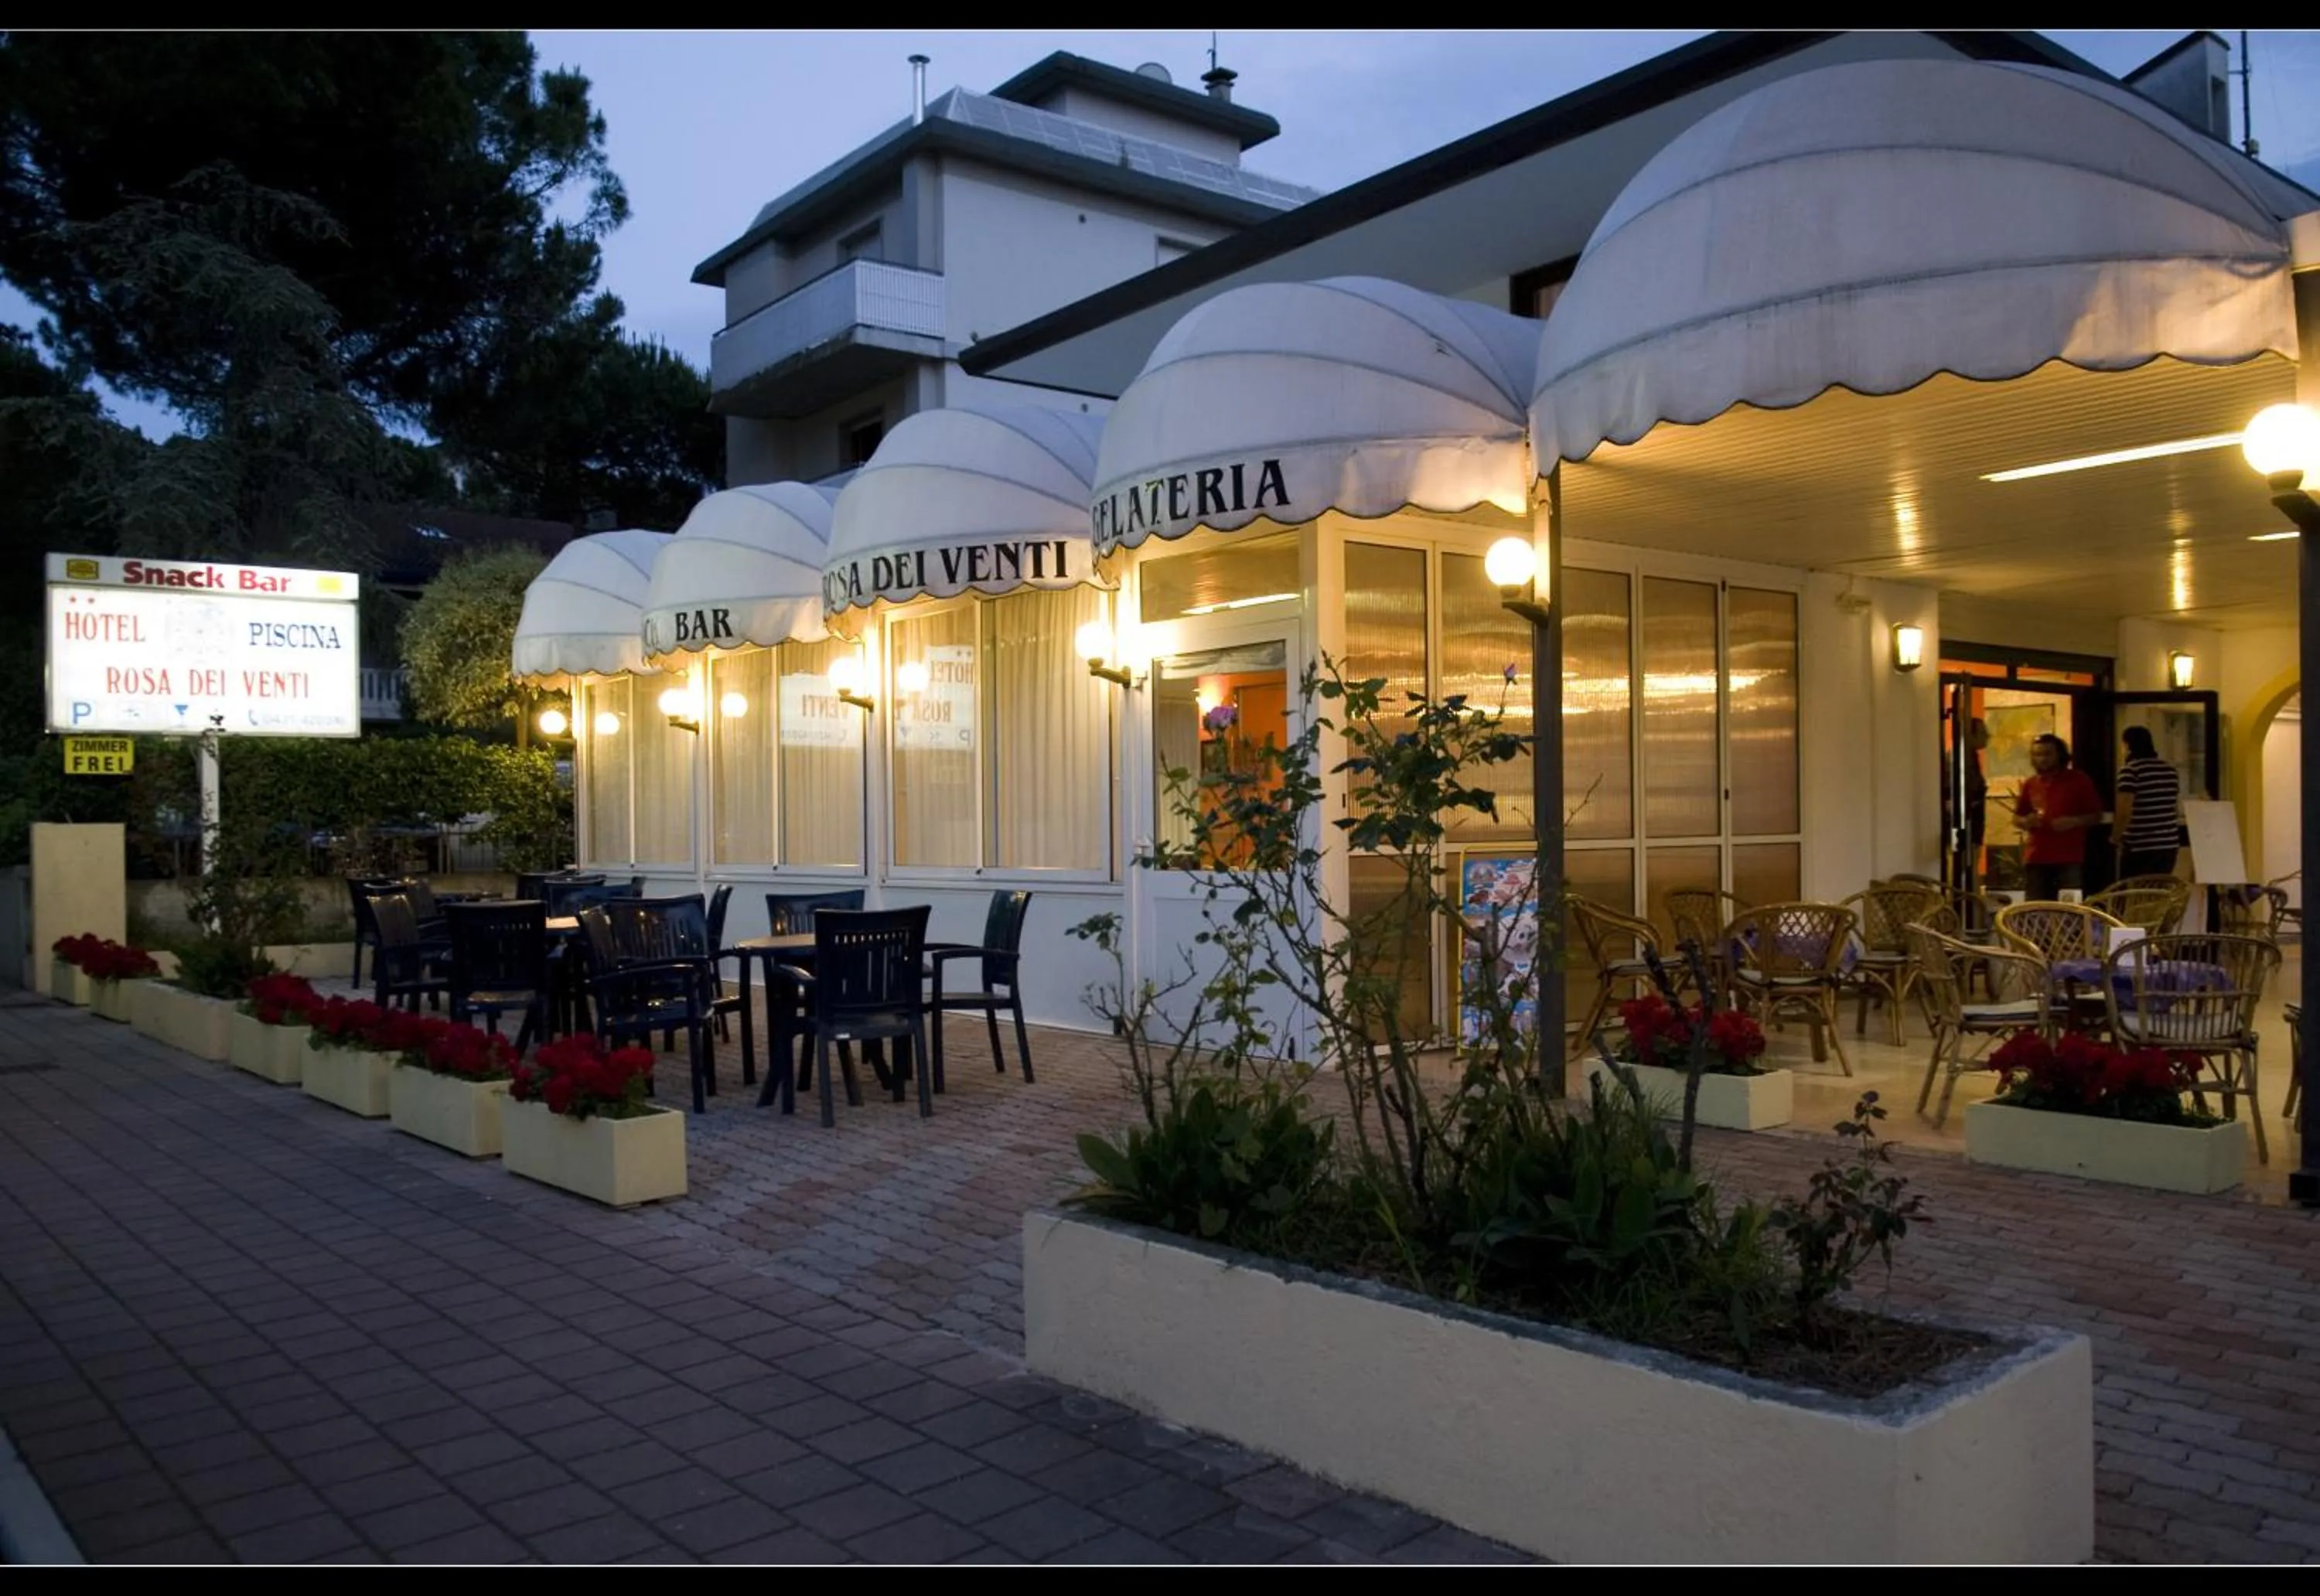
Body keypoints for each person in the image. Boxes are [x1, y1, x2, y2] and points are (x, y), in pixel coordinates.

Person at [2013, 732, 2104, 900]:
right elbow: (2017, 818)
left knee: (2069, 910)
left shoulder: (2079, 780)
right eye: (2037, 755)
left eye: (2047, 754)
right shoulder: (2031, 784)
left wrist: (2073, 821)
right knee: (2036, 910)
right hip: (2036, 858)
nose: (2042, 759)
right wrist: (2027, 821)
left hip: (2068, 858)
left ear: (2059, 755)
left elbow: (2096, 816)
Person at [2113, 725, 2184, 879]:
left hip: (2140, 845)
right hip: (2168, 845)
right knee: (2157, 893)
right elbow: (2173, 806)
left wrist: (2115, 838)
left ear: (2127, 745)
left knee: (2135, 895)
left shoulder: (2130, 771)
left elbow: (2124, 811)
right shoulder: (2170, 770)